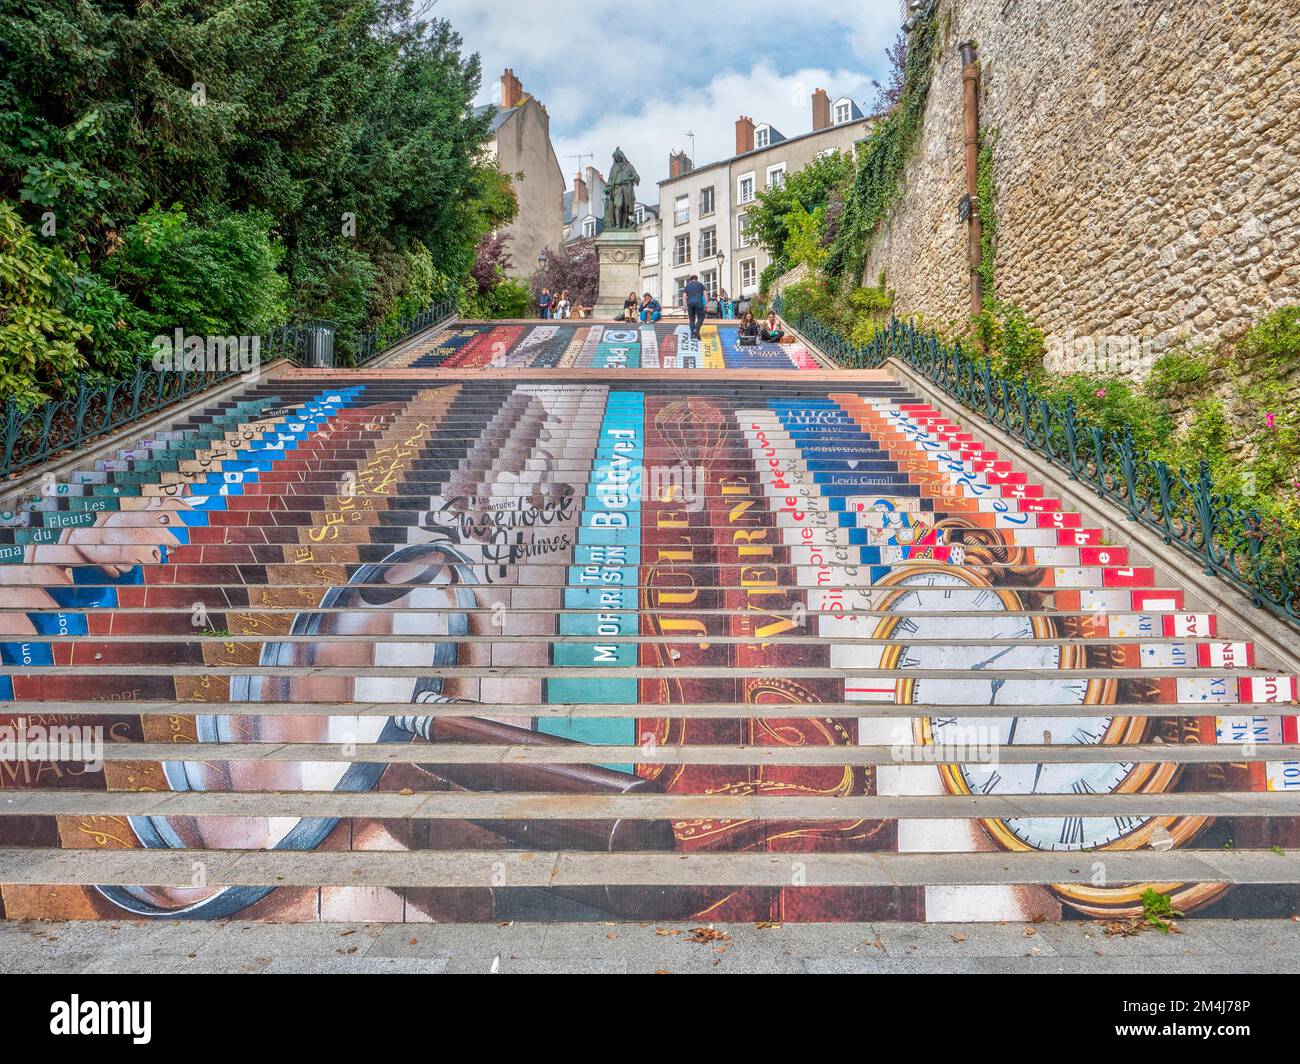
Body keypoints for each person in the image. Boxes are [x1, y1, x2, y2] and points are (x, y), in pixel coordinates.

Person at [682, 274, 706, 339]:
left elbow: (684, 296)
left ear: (690, 280)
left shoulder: (687, 286)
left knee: (692, 320)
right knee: (701, 317)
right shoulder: (700, 285)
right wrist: (706, 304)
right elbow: (705, 294)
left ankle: (693, 333)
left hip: (689, 304)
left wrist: (684, 306)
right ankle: (696, 330)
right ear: (696, 279)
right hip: (698, 303)